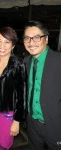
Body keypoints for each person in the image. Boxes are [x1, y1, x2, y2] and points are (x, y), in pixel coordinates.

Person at [23, 20, 61, 150]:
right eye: (27, 38)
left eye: (37, 37)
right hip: (32, 124)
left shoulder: (58, 61)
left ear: (47, 39)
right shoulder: (26, 62)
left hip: (55, 126)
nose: (31, 42)